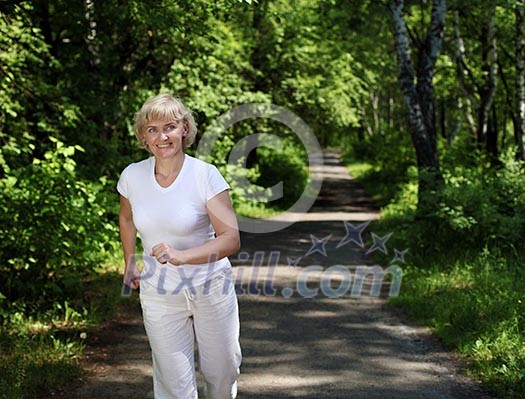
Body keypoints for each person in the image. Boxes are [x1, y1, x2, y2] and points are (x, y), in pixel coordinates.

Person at [117, 93, 242, 399]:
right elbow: (127, 220)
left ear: (185, 129)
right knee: (173, 382)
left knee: (222, 371)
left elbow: (231, 238)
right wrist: (130, 261)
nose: (163, 136)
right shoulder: (132, 176)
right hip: (159, 291)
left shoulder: (205, 175)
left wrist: (182, 256)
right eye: (153, 129)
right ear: (144, 137)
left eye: (170, 127)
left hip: (210, 284)